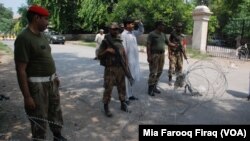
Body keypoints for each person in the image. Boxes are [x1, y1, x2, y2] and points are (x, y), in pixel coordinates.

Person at [14, 5, 67, 141]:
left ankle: (57, 136)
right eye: (45, 19)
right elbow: (21, 70)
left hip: (51, 82)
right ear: (36, 18)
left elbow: (46, 57)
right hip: (37, 86)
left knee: (55, 111)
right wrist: (27, 96)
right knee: (39, 117)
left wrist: (55, 76)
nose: (47, 22)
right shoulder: (24, 38)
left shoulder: (42, 35)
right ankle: (39, 139)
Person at [97, 22, 130, 117]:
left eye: (116, 29)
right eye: (113, 29)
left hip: (120, 67)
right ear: (109, 29)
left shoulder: (119, 40)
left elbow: (124, 53)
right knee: (108, 88)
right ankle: (106, 107)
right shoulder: (106, 41)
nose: (115, 30)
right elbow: (99, 55)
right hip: (110, 68)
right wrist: (107, 50)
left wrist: (126, 64)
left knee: (122, 86)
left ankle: (123, 104)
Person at [147, 21, 175, 96]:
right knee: (153, 72)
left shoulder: (163, 34)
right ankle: (150, 89)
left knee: (159, 71)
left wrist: (175, 45)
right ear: (158, 26)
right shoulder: (152, 34)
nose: (163, 27)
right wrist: (149, 56)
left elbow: (168, 43)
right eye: (162, 25)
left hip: (162, 55)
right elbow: (148, 45)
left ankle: (154, 87)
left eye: (164, 26)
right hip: (154, 55)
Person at [121, 18, 144, 103]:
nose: (133, 25)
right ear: (127, 25)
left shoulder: (133, 33)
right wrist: (126, 62)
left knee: (132, 78)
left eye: (133, 24)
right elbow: (124, 50)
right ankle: (126, 97)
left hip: (135, 60)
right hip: (128, 61)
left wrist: (140, 23)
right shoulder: (123, 35)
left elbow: (141, 31)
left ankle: (130, 95)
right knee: (127, 79)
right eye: (131, 24)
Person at [168, 22, 187, 87]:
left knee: (180, 67)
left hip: (180, 54)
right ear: (176, 27)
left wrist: (185, 55)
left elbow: (184, 46)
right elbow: (169, 43)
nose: (179, 28)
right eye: (178, 26)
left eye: (180, 27)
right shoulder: (172, 34)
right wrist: (169, 54)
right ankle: (170, 79)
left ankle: (178, 80)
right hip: (173, 53)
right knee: (172, 67)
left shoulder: (183, 36)